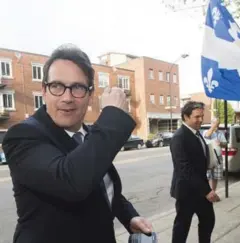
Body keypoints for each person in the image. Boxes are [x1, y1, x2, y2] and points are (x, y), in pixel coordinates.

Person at [2, 44, 152, 243]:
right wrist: (112, 117)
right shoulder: (23, 135)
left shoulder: (91, 135)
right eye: (56, 86)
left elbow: (100, 185)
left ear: (90, 95)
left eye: (78, 88)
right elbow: (71, 182)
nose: (67, 98)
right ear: (44, 91)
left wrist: (128, 216)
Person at [170, 101, 219, 243]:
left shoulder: (196, 133)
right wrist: (207, 191)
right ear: (185, 117)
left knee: (208, 220)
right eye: (197, 117)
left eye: (202, 116)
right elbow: (184, 168)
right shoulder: (179, 137)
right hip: (186, 191)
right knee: (182, 226)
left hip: (200, 188)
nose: (200, 120)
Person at [203, 118, 227, 196]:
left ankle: (213, 192)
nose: (217, 125)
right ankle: (208, 193)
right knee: (208, 176)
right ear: (211, 123)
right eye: (214, 123)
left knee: (215, 177)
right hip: (209, 157)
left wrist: (221, 143)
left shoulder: (220, 133)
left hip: (218, 157)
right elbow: (207, 136)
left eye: (217, 124)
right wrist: (213, 126)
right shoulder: (206, 131)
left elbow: (225, 144)